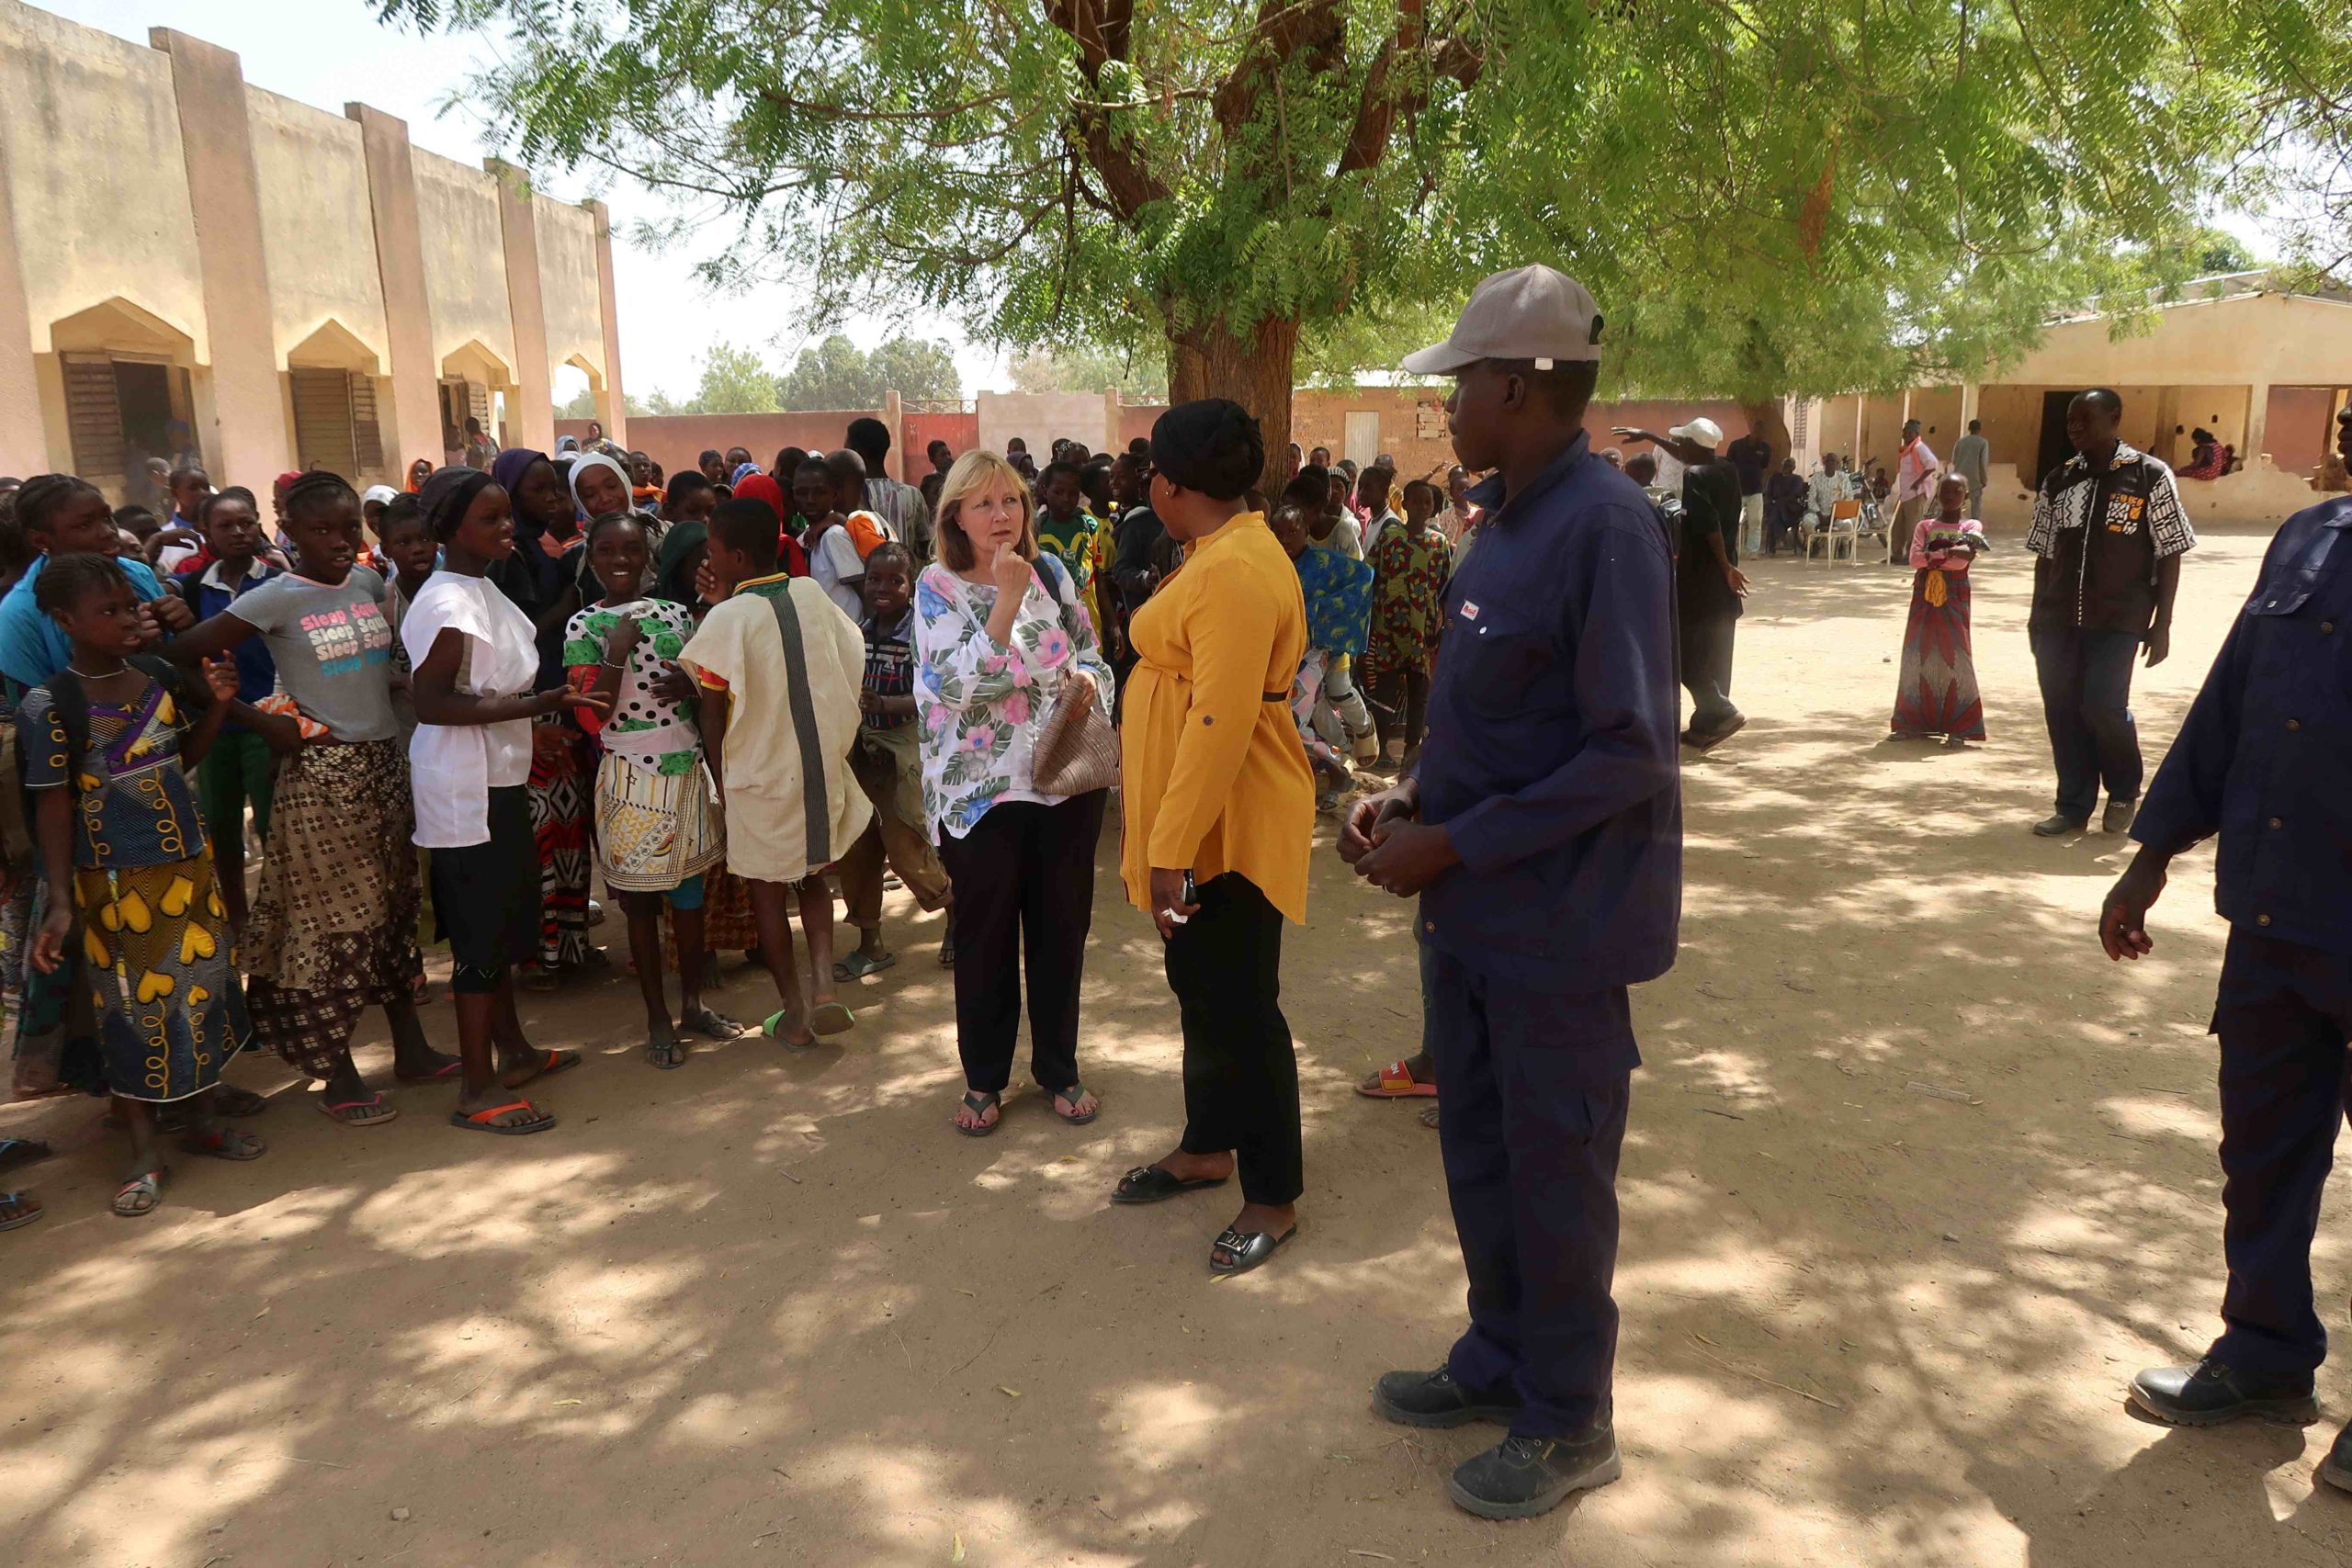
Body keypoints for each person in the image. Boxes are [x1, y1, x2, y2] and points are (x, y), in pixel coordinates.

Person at [1353, 265, 1680, 1521]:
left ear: (1524, 387)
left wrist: (1460, 843)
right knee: (1483, 1155)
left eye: (1462, 382)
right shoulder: (1510, 516)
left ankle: (1570, 1415)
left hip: (1562, 927)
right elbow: (1485, 713)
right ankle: (1501, 1355)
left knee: (1556, 1172)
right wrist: (1412, 797)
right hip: (1480, 917)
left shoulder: (1605, 524)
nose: (1446, 402)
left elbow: (1629, 747)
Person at [2101, 403, 2352, 1481]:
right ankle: (2264, 1352)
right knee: (2258, 1153)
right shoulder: (2309, 538)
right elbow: (2232, 705)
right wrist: (2152, 851)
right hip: (2277, 916)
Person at [168, 473, 451, 1123]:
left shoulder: (367, 583)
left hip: (383, 769)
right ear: (288, 531)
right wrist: (255, 717)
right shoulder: (274, 598)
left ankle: (411, 1049)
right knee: (333, 927)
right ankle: (339, 1073)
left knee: (391, 915)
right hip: (322, 777)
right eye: (320, 529)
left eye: (349, 527)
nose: (337, 540)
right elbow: (178, 657)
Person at [1110, 398, 1315, 1276]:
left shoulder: (1231, 570)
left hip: (1226, 825)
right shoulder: (1219, 550)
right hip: (1201, 821)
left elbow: (1221, 720)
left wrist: (1170, 848)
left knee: (1241, 1006)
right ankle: (1207, 1145)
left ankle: (1273, 1192)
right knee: (1202, 989)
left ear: (1169, 484)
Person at [21, 554, 260, 1214]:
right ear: (66, 621)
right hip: (112, 887)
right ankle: (142, 1150)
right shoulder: (53, 705)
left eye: (131, 606)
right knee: (127, 1015)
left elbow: (180, 758)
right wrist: (65, 902)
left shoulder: (156, 676)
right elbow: (54, 806)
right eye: (109, 611)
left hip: (186, 867)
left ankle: (204, 1121)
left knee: (201, 993)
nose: (129, 619)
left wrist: (214, 707)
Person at [912, 448, 1113, 1135]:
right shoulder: (935, 588)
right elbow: (956, 687)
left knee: (1062, 930)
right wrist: (1003, 597)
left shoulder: (1053, 572)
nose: (1002, 516)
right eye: (983, 504)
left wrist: (1088, 683)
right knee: (986, 937)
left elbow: (1092, 652)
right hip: (981, 795)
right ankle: (984, 1078)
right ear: (955, 518)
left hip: (1062, 783)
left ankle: (1058, 1066)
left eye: (1011, 502)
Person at [404, 467, 603, 1135]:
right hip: (465, 793)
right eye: (489, 519)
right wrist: (536, 704)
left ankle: (513, 1049)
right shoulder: (448, 604)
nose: (506, 527)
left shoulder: (483, 591)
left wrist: (532, 725)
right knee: (479, 939)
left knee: (506, 921)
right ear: (449, 528)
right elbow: (430, 702)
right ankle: (475, 1085)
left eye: (503, 515)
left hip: (501, 779)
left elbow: (485, 693)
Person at [681, 497, 867, 1047]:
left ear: (736, 556)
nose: (709, 561)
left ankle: (792, 1012)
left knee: (768, 891)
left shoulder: (726, 619)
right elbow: (848, 650)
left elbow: (711, 707)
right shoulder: (809, 593)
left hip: (758, 776)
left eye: (713, 552)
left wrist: (720, 776)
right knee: (812, 876)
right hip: (812, 767)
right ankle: (825, 987)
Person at [563, 513, 737, 1068]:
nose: (620, 560)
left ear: (648, 558)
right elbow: (592, 718)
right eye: (608, 550)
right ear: (591, 559)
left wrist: (690, 680)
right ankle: (657, 1019)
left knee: (688, 901)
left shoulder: (675, 614)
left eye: (632, 550)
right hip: (630, 776)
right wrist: (615, 651)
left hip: (684, 771)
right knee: (639, 905)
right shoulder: (583, 627)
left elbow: (708, 680)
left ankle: (691, 1005)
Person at [2025, 388, 2194, 836]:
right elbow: (2045, 554)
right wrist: (2035, 616)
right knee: (2061, 708)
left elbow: (2171, 550)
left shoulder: (2149, 476)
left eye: (2086, 419)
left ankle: (2123, 791)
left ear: (2115, 418)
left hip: (2120, 619)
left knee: (2102, 706)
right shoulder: (2059, 480)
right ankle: (2073, 804)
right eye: (2070, 422)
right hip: (2059, 617)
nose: (2076, 428)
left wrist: (2163, 623)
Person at [172, 490, 294, 931]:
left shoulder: (280, 581)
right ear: (207, 532)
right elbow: (181, 657)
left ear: (259, 522)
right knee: (222, 825)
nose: (239, 532)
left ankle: (280, 918)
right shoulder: (192, 588)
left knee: (272, 821)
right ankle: (238, 916)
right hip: (216, 725)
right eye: (226, 525)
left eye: (245, 522)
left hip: (268, 719)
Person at [837, 541, 953, 977]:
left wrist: (885, 704)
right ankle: (870, 942)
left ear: (912, 585)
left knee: (906, 844)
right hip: (862, 746)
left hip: (904, 743)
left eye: (894, 580)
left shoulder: (921, 635)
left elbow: (933, 696)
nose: (882, 588)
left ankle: (953, 911)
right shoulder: (858, 633)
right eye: (874, 579)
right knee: (857, 846)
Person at [1616, 416, 1747, 749]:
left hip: (1702, 576)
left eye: (1682, 443)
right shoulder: (1726, 467)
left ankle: (1721, 709)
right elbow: (1688, 453)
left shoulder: (1695, 476)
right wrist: (1648, 434)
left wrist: (1724, 566)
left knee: (1684, 651)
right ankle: (1705, 725)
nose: (1680, 448)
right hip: (1721, 579)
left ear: (1691, 446)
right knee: (1709, 650)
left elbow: (1709, 526)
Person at [1266, 496, 1365, 815]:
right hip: (1281, 655)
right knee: (1284, 721)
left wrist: (1319, 614)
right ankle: (1327, 768)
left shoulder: (1325, 563)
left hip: (1314, 655)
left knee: (1292, 721)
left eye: (1292, 532)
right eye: (1278, 533)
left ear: (1305, 531)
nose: (1285, 540)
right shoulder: (1271, 563)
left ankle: (1340, 770)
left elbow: (1363, 579)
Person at [1360, 478, 1453, 773]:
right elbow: (1370, 578)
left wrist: (1439, 624)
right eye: (1417, 501)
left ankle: (1413, 751)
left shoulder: (1438, 543)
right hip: (1388, 629)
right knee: (1384, 693)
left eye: (1428, 502)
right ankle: (1382, 747)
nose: (1423, 507)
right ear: (1406, 504)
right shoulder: (1390, 537)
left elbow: (1444, 588)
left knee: (1419, 693)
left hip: (1422, 632)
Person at [1891, 476, 1988, 747]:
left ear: (1965, 495)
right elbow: (1915, 559)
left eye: (1956, 490)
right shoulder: (1925, 525)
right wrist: (1948, 553)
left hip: (1955, 596)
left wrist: (1933, 557)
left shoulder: (1971, 525)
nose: (1950, 495)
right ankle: (1911, 722)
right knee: (1917, 653)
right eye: (1945, 490)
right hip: (1923, 594)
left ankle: (1961, 726)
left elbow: (1961, 564)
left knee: (1955, 654)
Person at [846, 416, 934, 565]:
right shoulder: (913, 495)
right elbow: (924, 549)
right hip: (904, 581)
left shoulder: (848, 496)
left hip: (862, 584)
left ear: (857, 453)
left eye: (847, 449)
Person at [797, 456, 866, 619]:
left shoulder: (834, 535)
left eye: (819, 492)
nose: (810, 500)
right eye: (802, 493)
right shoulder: (807, 536)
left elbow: (864, 591)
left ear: (834, 492)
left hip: (849, 633)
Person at [1892, 419, 1940, 567]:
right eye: (1904, 432)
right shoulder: (1906, 450)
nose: (1905, 435)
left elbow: (1932, 464)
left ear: (1916, 434)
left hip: (1916, 493)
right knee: (1897, 525)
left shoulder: (1919, 447)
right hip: (1905, 494)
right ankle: (1896, 554)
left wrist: (1919, 482)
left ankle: (1912, 555)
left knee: (1913, 526)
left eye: (1908, 433)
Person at [1725, 424, 1773, 558]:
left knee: (1756, 521)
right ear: (1753, 431)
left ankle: (1753, 551)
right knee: (1732, 520)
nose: (1762, 437)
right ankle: (1729, 548)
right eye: (1760, 433)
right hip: (1737, 489)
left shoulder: (1765, 448)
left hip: (1756, 490)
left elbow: (1764, 466)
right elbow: (1728, 464)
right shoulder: (1736, 445)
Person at [1804, 450, 1860, 545]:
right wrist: (1820, 516)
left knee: (1848, 525)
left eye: (1833, 461)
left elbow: (1848, 498)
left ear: (1838, 464)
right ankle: (1814, 543)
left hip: (1839, 515)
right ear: (1824, 462)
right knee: (1807, 522)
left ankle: (1844, 545)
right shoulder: (1816, 478)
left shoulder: (1843, 478)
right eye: (1828, 461)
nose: (1830, 463)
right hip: (1819, 514)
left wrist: (1834, 516)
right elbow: (1812, 500)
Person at [1763, 457, 1808, 556]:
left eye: (1789, 465)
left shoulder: (1797, 479)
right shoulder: (1774, 478)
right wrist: (1772, 502)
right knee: (1775, 509)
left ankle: (1780, 538)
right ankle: (1780, 536)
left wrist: (1779, 501)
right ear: (1782, 466)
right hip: (1775, 508)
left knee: (1776, 510)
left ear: (1794, 467)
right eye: (1785, 465)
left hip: (1791, 509)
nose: (1787, 467)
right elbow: (1768, 494)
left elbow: (1795, 494)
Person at [1951, 418, 1991, 519]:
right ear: (1980, 429)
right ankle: (1974, 529)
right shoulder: (1983, 443)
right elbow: (1983, 463)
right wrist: (1984, 480)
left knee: (1957, 505)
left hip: (1959, 478)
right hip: (1975, 480)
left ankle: (1954, 527)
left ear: (1969, 429)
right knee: (1975, 508)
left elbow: (1954, 460)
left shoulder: (1960, 442)